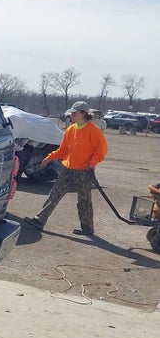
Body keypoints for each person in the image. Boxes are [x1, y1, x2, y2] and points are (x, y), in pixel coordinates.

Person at [24, 101, 108, 236]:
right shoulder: (71, 129)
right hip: (68, 168)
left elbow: (101, 151)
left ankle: (87, 228)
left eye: (75, 113)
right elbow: (63, 150)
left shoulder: (94, 131)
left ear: (83, 114)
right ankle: (40, 220)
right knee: (55, 193)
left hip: (84, 171)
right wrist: (49, 157)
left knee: (84, 199)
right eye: (71, 113)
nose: (72, 115)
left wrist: (92, 163)